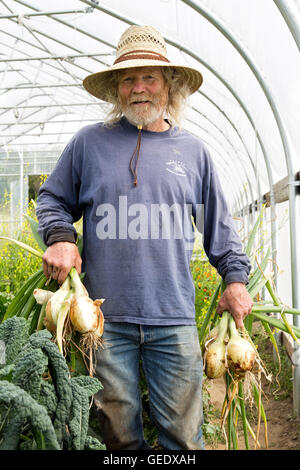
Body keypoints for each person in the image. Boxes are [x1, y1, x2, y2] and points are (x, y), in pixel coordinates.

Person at [36, 25, 253, 450]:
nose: (138, 88)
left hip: (172, 318)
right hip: (102, 321)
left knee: (184, 440)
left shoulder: (194, 153)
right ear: (116, 88)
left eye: (149, 77)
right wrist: (61, 236)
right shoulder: (88, 144)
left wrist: (235, 279)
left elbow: (219, 227)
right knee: (118, 437)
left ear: (169, 85)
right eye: (127, 79)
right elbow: (52, 199)